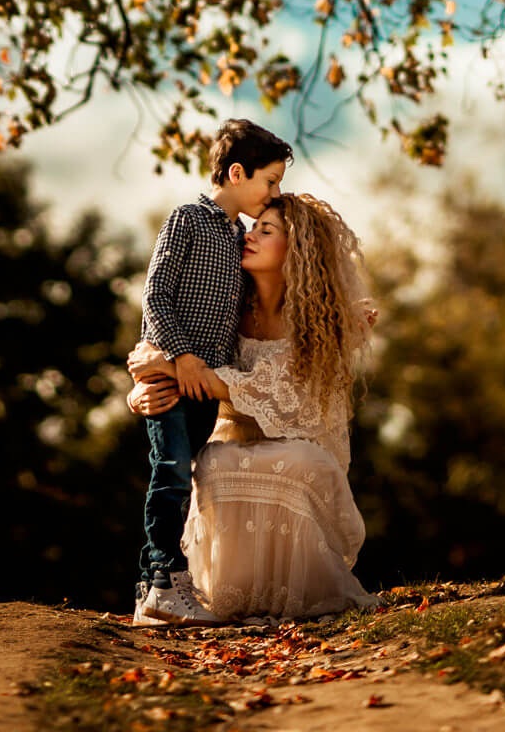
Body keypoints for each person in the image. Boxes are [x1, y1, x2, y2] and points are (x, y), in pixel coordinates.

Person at [128, 193, 377, 624]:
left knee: (294, 460)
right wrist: (141, 392)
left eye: (267, 230)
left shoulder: (318, 317)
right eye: (252, 227)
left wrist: (165, 364)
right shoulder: (228, 305)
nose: (250, 235)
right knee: (213, 461)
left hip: (303, 446)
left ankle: (297, 592)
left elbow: (263, 390)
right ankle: (222, 594)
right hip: (239, 438)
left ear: (296, 247)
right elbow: (174, 354)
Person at [132, 118, 293, 628]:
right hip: (171, 378)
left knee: (187, 479)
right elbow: (154, 295)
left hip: (204, 388)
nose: (273, 194)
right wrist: (179, 356)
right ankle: (160, 581)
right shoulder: (187, 219)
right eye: (270, 182)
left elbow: (278, 290)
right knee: (173, 470)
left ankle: (161, 590)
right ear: (237, 172)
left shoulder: (241, 237)